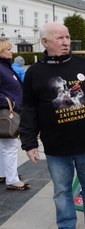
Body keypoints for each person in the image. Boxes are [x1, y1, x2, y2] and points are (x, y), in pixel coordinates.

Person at [19, 22, 85, 229]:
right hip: (56, 147)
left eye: (67, 37)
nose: (66, 42)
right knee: (61, 191)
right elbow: (29, 109)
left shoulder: (83, 65)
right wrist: (29, 142)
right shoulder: (35, 72)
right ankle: (66, 226)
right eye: (60, 38)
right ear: (45, 42)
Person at [0, 38, 31, 191]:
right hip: (5, 113)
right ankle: (12, 179)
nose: (11, 52)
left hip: (9, 111)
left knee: (4, 146)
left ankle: (4, 174)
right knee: (9, 146)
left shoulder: (6, 67)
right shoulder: (1, 68)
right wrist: (8, 101)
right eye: (8, 50)